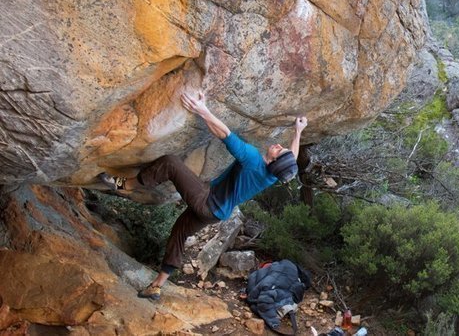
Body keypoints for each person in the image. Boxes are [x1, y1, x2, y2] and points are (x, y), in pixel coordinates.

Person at [99, 91, 308, 301]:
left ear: (273, 162)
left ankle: (127, 184)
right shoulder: (272, 175)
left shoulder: (253, 160)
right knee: (179, 232)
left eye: (279, 151)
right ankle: (156, 286)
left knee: (171, 163)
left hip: (206, 201)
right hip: (216, 214)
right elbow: (291, 158)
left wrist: (202, 109)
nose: (279, 146)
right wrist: (298, 132)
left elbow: (224, 134)